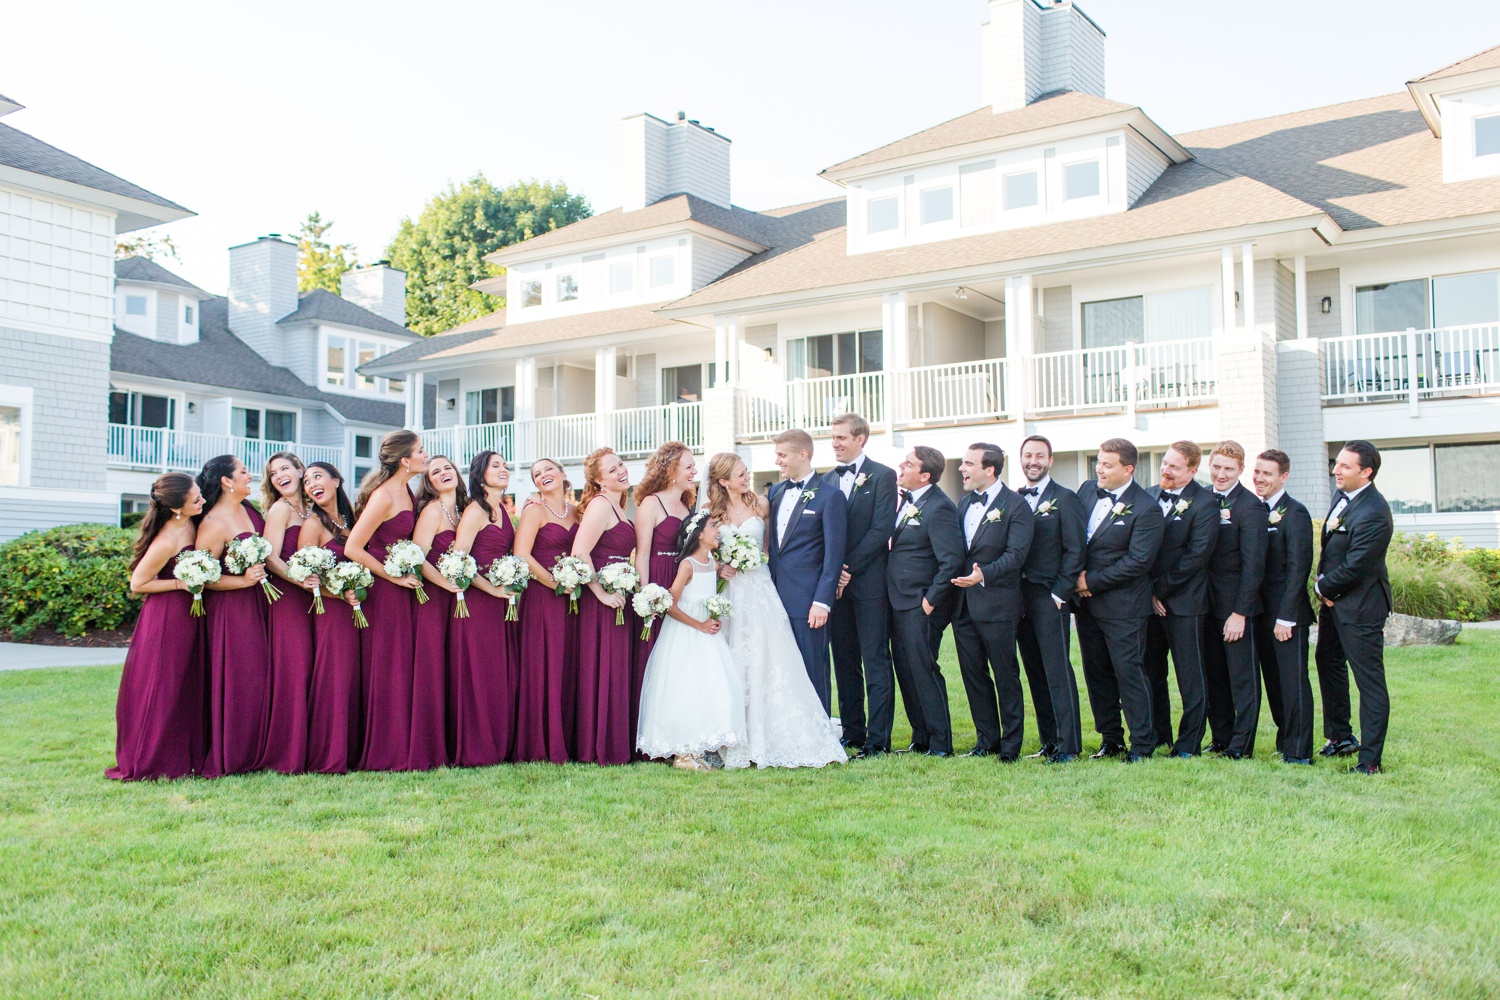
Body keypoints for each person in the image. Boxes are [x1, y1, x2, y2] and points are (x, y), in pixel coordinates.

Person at [709, 453, 845, 770]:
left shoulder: (763, 503)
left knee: (772, 657)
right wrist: (720, 566)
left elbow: (776, 545)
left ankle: (782, 730)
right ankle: (734, 733)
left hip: (760, 589)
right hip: (730, 594)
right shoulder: (711, 513)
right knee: (733, 658)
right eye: (740, 474)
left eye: (746, 472)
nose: (747, 477)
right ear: (723, 481)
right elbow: (702, 551)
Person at [107, 472, 206, 781]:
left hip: (190, 613)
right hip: (165, 618)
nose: (201, 499)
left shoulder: (191, 523)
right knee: (162, 685)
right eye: (195, 498)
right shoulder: (167, 538)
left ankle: (182, 755)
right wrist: (179, 583)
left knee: (184, 682)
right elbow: (138, 583)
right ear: (177, 507)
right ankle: (149, 757)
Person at [1073, 438, 1164, 763]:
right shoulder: (1085, 491)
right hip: (1086, 607)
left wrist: (1090, 581)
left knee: (1129, 672)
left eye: (1107, 464)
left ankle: (1142, 744)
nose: (1099, 468)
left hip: (1124, 607)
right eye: (1099, 461)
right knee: (1096, 673)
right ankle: (1111, 739)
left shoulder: (1146, 508)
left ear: (1128, 469)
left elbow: (1138, 562)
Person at [344, 429, 428, 771]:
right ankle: (386, 750)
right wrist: (392, 575)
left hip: (402, 586)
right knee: (389, 666)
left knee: (402, 665)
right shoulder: (384, 496)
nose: (426, 455)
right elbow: (353, 548)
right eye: (421, 451)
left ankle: (403, 743)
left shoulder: (407, 488)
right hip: (385, 590)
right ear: (406, 460)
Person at [636, 513, 747, 771]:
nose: (718, 531)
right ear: (699, 534)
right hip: (686, 632)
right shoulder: (688, 564)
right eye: (713, 526)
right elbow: (670, 605)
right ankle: (682, 753)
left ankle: (703, 745)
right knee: (684, 686)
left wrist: (714, 617)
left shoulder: (712, 561)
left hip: (707, 632)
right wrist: (699, 625)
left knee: (710, 685)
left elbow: (708, 597)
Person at [1315, 440, 1394, 774]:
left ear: (1367, 472)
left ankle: (1370, 761)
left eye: (1345, 466)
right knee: (1328, 662)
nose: (1336, 470)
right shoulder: (1343, 495)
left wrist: (1322, 587)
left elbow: (1358, 564)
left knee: (1369, 680)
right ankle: (1340, 737)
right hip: (1334, 604)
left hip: (1361, 606)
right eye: (1337, 463)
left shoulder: (1375, 512)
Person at [951, 443, 1034, 760]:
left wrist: (982, 575)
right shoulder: (963, 503)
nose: (962, 468)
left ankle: (1011, 746)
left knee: (1005, 675)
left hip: (998, 604)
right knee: (973, 675)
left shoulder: (1015, 506)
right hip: (964, 606)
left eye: (968, 463)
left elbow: (1016, 556)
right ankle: (986, 741)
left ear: (990, 469)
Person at [824, 413, 897, 757]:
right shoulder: (824, 481)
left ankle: (878, 739)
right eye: (833, 437)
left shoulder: (884, 476)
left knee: (875, 660)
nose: (835, 443)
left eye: (841, 437)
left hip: (869, 585)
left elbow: (881, 530)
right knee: (844, 661)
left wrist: (847, 568)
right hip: (834, 589)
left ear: (861, 438)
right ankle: (852, 732)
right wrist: (833, 574)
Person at [195, 454, 272, 777]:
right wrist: (241, 581)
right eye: (242, 471)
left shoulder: (251, 510)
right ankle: (234, 752)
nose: (249, 475)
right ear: (227, 481)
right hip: (232, 611)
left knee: (262, 675)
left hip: (261, 604)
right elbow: (200, 577)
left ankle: (260, 747)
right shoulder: (212, 523)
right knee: (240, 676)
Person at [887, 445, 965, 757]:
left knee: (924, 670)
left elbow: (952, 560)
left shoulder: (939, 507)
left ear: (925, 474)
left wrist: (930, 601)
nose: (901, 467)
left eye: (909, 464)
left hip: (921, 605)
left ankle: (941, 743)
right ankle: (920, 738)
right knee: (906, 670)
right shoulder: (909, 502)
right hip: (899, 601)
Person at [1013, 435, 1085, 763]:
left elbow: (1075, 550)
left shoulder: (1065, 499)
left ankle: (1068, 745)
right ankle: (1048, 741)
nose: (1033, 461)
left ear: (1050, 460)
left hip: (1049, 595)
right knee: (1035, 670)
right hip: (1018, 597)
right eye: (1028, 455)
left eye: (1039, 456)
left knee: (1057, 670)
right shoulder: (1014, 499)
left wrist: (1060, 593)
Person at [766, 428, 848, 713]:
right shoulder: (775, 492)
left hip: (808, 600)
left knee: (813, 667)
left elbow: (834, 556)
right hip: (772, 596)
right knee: (780, 669)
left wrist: (822, 601)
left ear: (803, 454)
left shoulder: (830, 496)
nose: (778, 461)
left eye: (782, 455)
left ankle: (820, 731)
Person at [1143, 441, 1216, 758]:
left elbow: (1196, 556)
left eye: (1174, 466)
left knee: (1190, 676)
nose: (1165, 469)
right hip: (1148, 602)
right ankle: (1160, 734)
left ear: (1192, 470)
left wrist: (1159, 590)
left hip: (1186, 603)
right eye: (1164, 463)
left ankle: (1188, 744)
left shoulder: (1205, 503)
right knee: (1151, 671)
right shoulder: (1146, 495)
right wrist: (1148, 592)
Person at [449, 450, 518, 767]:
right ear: (479, 475)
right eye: (496, 465)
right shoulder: (475, 510)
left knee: (497, 673)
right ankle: (477, 748)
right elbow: (458, 560)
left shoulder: (502, 508)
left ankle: (499, 744)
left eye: (506, 464)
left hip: (501, 603)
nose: (504, 469)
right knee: (479, 673)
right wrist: (491, 587)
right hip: (477, 604)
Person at [1201, 441, 1268, 759]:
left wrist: (1240, 612)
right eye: (1216, 467)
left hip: (1235, 607)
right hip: (1204, 605)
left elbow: (1254, 565)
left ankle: (1241, 745)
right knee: (1214, 675)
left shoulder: (1250, 507)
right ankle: (1221, 737)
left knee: (1241, 677)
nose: (1221, 474)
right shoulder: (1201, 499)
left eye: (1228, 468)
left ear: (1241, 469)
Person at [571, 447, 636, 766]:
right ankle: (599, 745)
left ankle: (615, 742)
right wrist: (600, 592)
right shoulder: (600, 505)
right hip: (603, 601)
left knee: (616, 668)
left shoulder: (619, 504)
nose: (621, 471)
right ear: (599, 481)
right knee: (603, 667)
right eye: (612, 470)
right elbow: (580, 551)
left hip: (619, 593)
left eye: (621, 465)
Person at [1251, 449, 1316, 766]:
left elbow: (1298, 568)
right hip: (1260, 613)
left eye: (1267, 474)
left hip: (1286, 616)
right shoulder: (1255, 510)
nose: (1260, 478)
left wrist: (1286, 617)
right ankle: (1285, 739)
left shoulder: (1295, 513)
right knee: (1274, 682)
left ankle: (1300, 751)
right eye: (1257, 472)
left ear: (1283, 477)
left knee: (1293, 683)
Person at [298, 462, 364, 774]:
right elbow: (304, 573)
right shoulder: (313, 524)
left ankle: (357, 750)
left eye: (317, 477)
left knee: (358, 680)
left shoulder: (354, 518)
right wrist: (339, 592)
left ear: (336, 480)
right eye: (307, 481)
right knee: (336, 679)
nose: (311, 484)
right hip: (333, 613)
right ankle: (331, 754)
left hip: (363, 609)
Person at [513, 458, 580, 763]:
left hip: (575, 599)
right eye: (537, 474)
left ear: (563, 474)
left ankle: (569, 737)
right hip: (542, 598)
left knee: (568, 665)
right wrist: (554, 582)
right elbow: (521, 554)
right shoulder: (533, 510)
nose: (543, 475)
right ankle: (541, 742)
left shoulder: (579, 511)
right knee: (545, 665)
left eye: (548, 469)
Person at [632, 442, 695, 741]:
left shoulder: (688, 505)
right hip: (659, 580)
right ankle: (653, 734)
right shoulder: (651, 504)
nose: (694, 471)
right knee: (656, 654)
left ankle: (680, 727)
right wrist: (646, 596)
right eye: (688, 466)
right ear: (671, 470)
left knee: (681, 656)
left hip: (684, 582)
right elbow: (642, 554)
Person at [410, 455, 467, 770]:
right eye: (435, 471)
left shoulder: (464, 511)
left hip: (459, 598)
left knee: (456, 667)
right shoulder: (432, 511)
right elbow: (418, 558)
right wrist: (446, 585)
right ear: (428, 482)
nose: (444, 473)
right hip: (434, 599)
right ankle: (432, 747)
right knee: (435, 668)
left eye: (448, 468)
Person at [258, 451, 312, 774]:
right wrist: (298, 579)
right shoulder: (280, 510)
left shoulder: (313, 507)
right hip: (290, 599)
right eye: (273, 474)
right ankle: (290, 753)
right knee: (295, 670)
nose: (279, 476)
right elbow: (271, 557)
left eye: (284, 469)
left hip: (318, 596)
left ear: (299, 470)